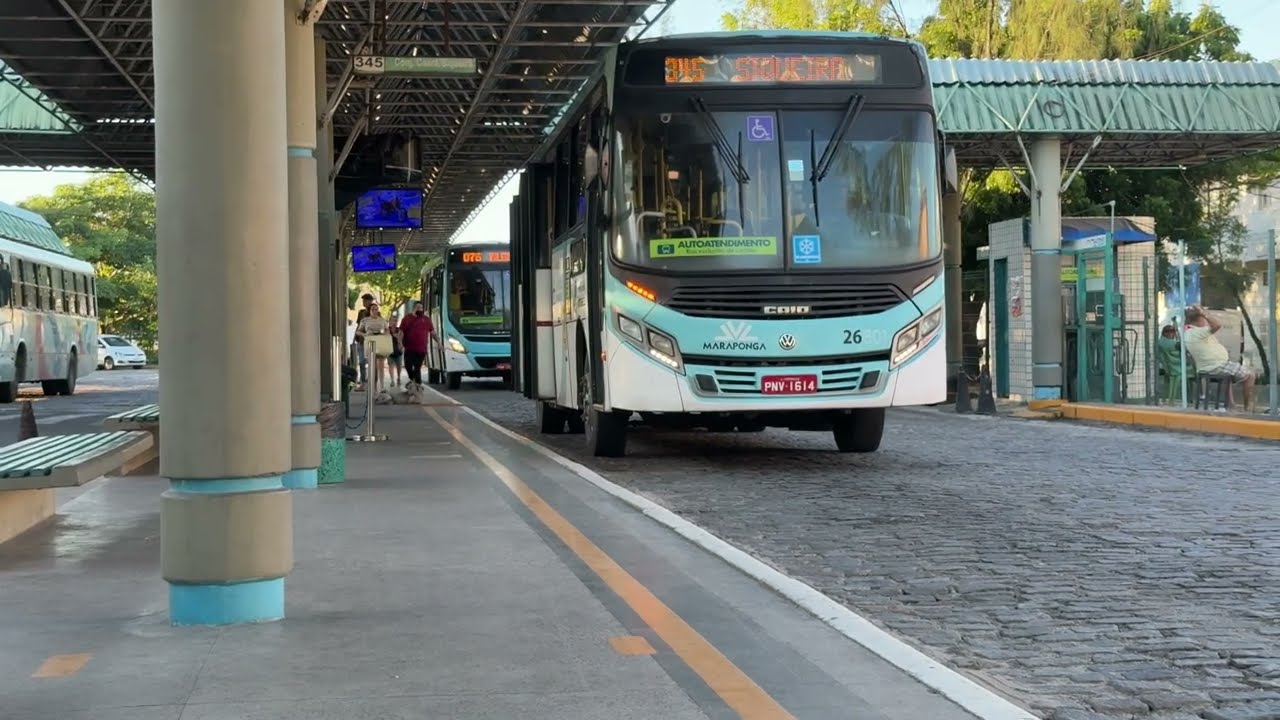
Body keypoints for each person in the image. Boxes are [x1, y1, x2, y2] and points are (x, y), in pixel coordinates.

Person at [1182, 304, 1257, 410]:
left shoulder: (1191, 331)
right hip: (1214, 365)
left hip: (1213, 365)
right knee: (1250, 375)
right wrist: (1204, 313)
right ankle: (1248, 408)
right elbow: (1217, 325)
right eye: (1204, 319)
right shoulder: (1196, 332)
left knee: (1228, 375)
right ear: (1200, 319)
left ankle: (1231, 404)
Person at [356, 302, 391, 394]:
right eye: (373, 309)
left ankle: (382, 386)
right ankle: (374, 387)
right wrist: (365, 334)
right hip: (370, 342)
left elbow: (387, 331)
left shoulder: (382, 320)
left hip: (380, 342)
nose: (375, 311)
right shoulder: (365, 320)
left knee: (381, 366)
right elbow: (358, 332)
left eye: (376, 309)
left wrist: (385, 333)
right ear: (370, 311)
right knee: (373, 367)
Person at [399, 301, 433, 386]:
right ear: (413, 308)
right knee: (408, 366)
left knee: (417, 368)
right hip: (409, 348)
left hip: (422, 349)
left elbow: (433, 332)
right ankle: (414, 380)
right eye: (418, 308)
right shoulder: (407, 318)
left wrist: (439, 343)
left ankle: (418, 385)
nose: (419, 309)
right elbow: (401, 332)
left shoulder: (426, 319)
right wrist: (400, 343)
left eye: (421, 308)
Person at [353, 293, 375, 384]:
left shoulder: (375, 312)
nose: (364, 302)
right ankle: (363, 379)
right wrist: (355, 336)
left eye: (365, 300)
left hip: (370, 341)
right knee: (361, 361)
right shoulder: (361, 312)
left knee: (370, 362)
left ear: (370, 301)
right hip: (361, 340)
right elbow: (358, 325)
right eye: (363, 301)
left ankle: (371, 379)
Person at [387, 312, 404, 388]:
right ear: (389, 321)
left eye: (395, 320)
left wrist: (401, 345)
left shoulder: (399, 330)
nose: (394, 322)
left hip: (398, 351)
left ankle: (399, 378)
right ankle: (392, 380)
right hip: (390, 351)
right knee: (390, 365)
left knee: (399, 366)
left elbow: (402, 339)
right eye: (392, 320)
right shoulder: (387, 330)